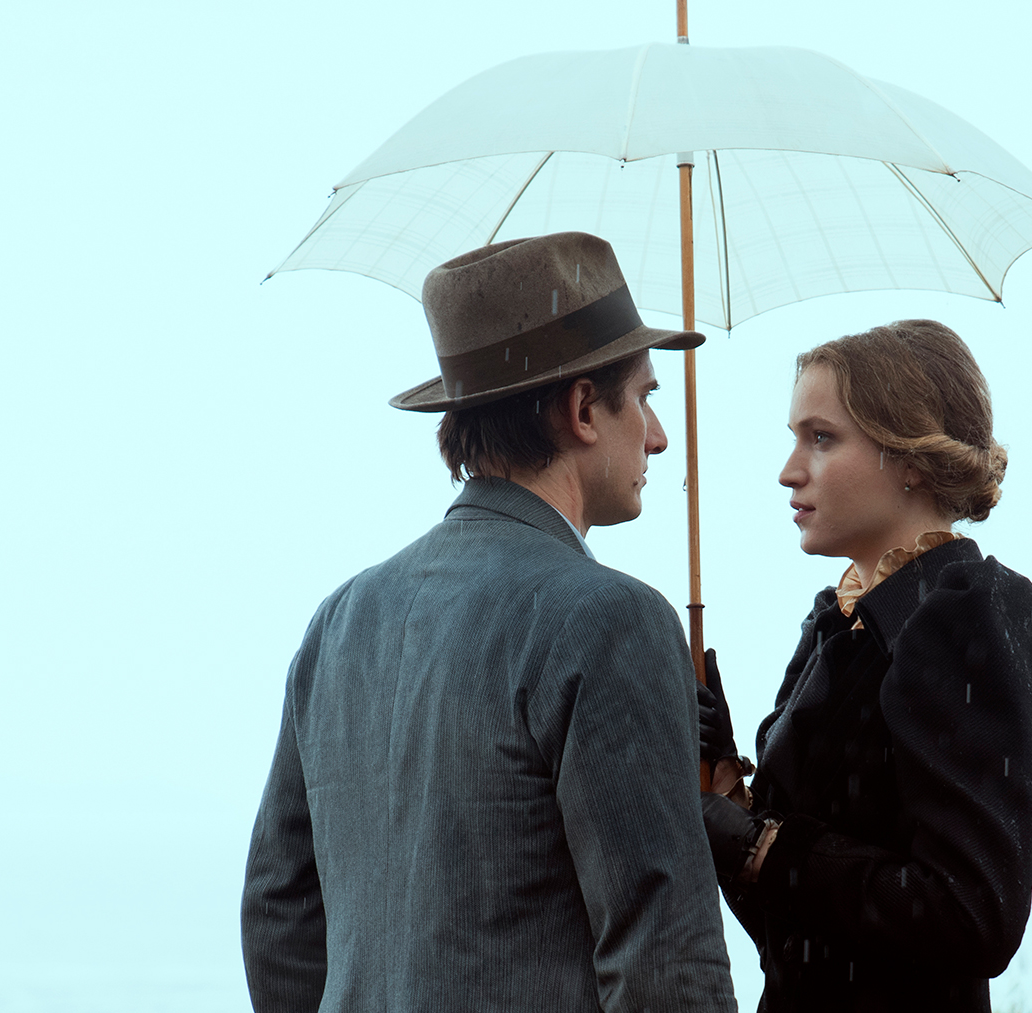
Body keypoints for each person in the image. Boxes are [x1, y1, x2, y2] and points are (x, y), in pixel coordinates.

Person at [241, 231, 737, 1013]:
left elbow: (279, 916)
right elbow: (664, 962)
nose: (658, 434)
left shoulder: (340, 620)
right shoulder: (613, 620)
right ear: (582, 409)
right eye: (645, 396)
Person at [697, 319, 1032, 1012]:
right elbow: (792, 938)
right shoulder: (835, 624)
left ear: (911, 457)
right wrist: (725, 787)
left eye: (821, 437)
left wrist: (763, 846)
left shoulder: (974, 608)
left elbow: (974, 913)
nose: (789, 470)